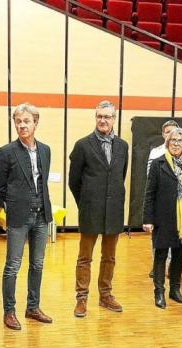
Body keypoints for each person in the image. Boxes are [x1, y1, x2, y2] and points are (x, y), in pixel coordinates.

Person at [0, 103, 53, 330]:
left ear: (35, 123)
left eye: (26, 121)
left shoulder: (46, 150)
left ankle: (33, 307)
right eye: (18, 121)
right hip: (19, 217)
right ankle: (9, 311)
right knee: (13, 266)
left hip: (41, 216)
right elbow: (0, 187)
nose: (22, 125)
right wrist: (17, 201)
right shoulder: (6, 152)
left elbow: (42, 181)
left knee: (37, 264)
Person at [68, 100, 129, 317]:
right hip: (90, 210)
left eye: (107, 116)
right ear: (95, 118)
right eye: (99, 116)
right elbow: (73, 182)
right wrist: (85, 203)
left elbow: (119, 177)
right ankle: (81, 298)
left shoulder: (123, 146)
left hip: (113, 211)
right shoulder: (82, 145)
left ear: (114, 119)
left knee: (109, 257)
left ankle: (105, 295)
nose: (103, 120)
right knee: (85, 258)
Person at [143, 127, 182, 309]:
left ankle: (175, 290)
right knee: (161, 254)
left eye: (179, 141)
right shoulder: (158, 163)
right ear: (167, 143)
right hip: (163, 217)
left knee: (179, 254)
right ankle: (159, 292)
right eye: (172, 141)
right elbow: (149, 194)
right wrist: (147, 219)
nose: (176, 144)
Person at [146, 119, 179, 278]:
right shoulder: (155, 153)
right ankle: (157, 265)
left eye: (173, 132)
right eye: (167, 132)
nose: (170, 136)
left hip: (178, 204)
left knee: (176, 236)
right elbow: (149, 179)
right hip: (159, 203)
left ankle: (170, 267)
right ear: (162, 134)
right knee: (157, 236)